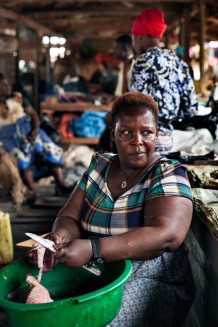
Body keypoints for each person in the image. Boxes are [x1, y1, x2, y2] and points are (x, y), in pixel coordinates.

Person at [47, 92, 195, 326]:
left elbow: (168, 235)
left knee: (99, 322)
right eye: (127, 132)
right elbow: (69, 216)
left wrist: (93, 248)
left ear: (156, 134)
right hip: (99, 269)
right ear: (113, 135)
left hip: (150, 276)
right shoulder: (99, 166)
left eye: (146, 132)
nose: (137, 140)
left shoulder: (166, 173)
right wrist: (60, 237)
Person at [130, 8, 198, 154]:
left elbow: (134, 106)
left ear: (140, 37)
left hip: (144, 139)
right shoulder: (179, 63)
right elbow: (191, 108)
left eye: (133, 39)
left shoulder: (143, 62)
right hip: (169, 139)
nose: (133, 45)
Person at [0, 73, 72, 202]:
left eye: (7, 83)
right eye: (4, 84)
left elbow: (33, 114)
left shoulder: (17, 98)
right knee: (21, 156)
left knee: (50, 149)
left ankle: (60, 184)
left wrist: (35, 130)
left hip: (28, 129)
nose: (7, 86)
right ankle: (31, 190)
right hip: (8, 137)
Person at [98, 34, 135, 152]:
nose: (114, 52)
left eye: (116, 49)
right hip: (123, 112)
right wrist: (111, 98)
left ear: (124, 49)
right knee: (105, 141)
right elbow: (121, 94)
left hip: (133, 114)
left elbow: (133, 96)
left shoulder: (136, 66)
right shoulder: (123, 66)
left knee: (109, 142)